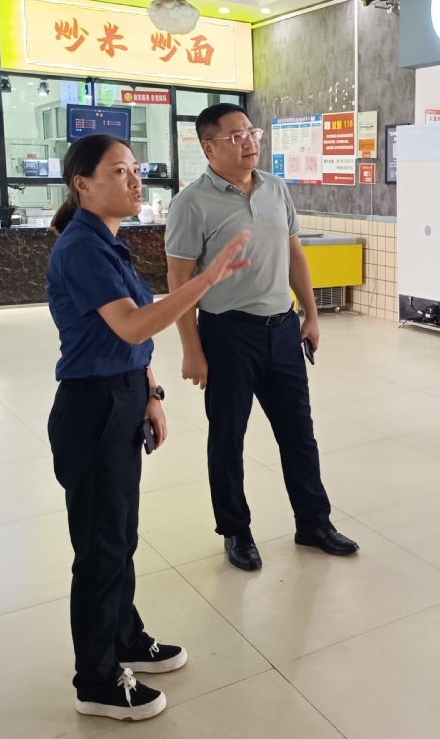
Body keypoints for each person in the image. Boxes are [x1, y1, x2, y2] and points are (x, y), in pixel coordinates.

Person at [46, 133, 252, 721]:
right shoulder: (82, 248)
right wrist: (205, 280)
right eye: (119, 171)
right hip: (92, 409)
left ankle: (124, 637)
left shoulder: (108, 242)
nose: (135, 180)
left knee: (120, 535)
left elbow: (129, 339)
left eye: (135, 169)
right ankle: (96, 679)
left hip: (122, 396)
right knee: (100, 546)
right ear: (83, 184)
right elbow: (134, 325)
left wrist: (151, 393)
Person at [165, 103, 358, 572]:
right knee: (227, 438)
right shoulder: (191, 203)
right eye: (235, 136)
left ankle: (313, 522)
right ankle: (236, 530)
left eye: (252, 132)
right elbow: (178, 281)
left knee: (299, 434)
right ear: (208, 147)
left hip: (283, 328)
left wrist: (310, 314)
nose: (250, 142)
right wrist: (192, 349)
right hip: (227, 334)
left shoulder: (275, 187)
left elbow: (295, 255)